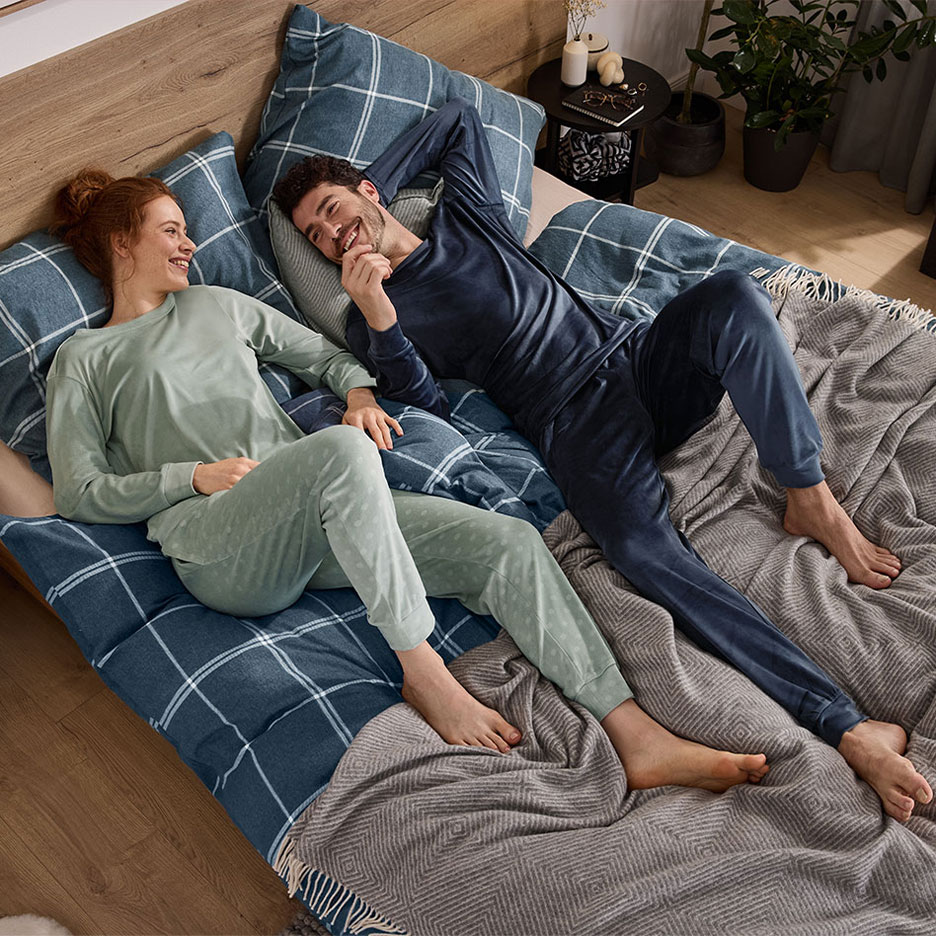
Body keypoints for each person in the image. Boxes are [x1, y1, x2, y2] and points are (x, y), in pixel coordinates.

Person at [273, 97, 933, 822]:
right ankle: (844, 724)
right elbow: (426, 403)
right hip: (575, 425)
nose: (333, 235)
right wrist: (379, 314)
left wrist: (372, 194)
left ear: (369, 189)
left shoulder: (466, 213)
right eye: (316, 236)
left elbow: (459, 118)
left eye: (334, 211)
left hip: (636, 358)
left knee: (735, 296)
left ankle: (809, 495)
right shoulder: (372, 320)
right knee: (645, 556)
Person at [42, 168, 772, 795]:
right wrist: (190, 477)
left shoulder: (215, 305)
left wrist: (359, 395)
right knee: (338, 452)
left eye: (186, 231)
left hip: (317, 512)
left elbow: (327, 359)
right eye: (170, 231)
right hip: (220, 545)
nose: (189, 245)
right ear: (122, 243)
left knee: (508, 543)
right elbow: (79, 491)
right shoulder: (85, 359)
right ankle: (422, 669)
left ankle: (636, 735)